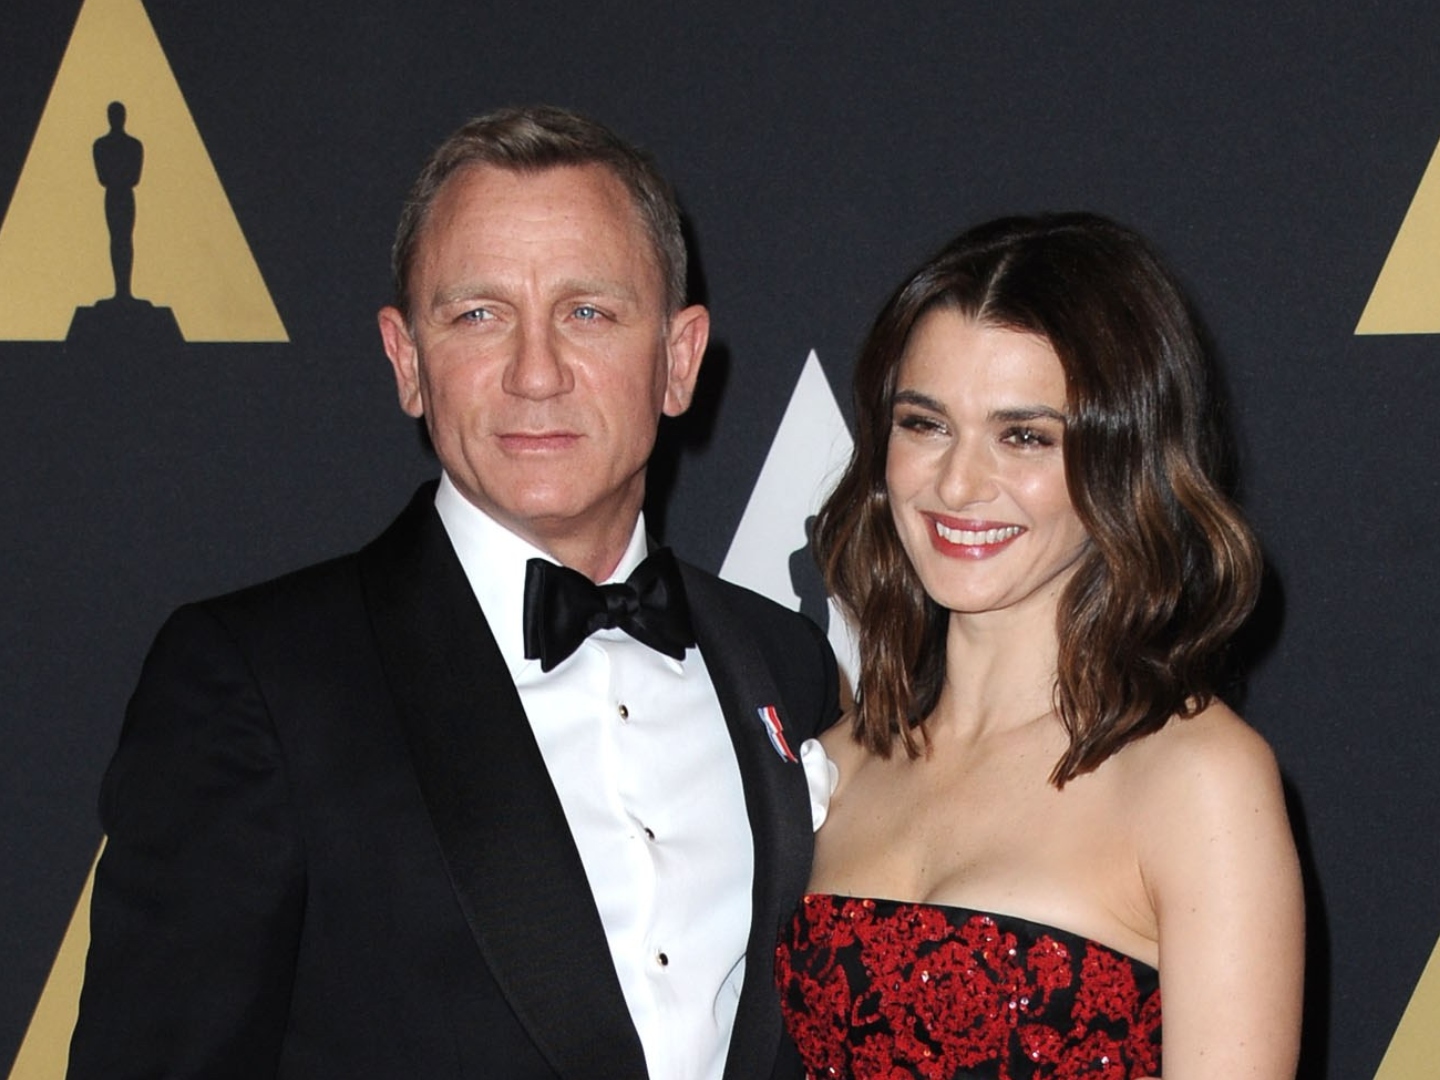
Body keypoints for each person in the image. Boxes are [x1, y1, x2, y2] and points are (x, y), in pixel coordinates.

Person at [69, 105, 839, 1080]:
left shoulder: (785, 664)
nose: (535, 374)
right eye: (479, 315)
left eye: (588, 313)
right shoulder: (258, 681)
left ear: (678, 361)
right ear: (407, 362)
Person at [774, 213, 1304, 1078]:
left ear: (1124, 459)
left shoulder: (1196, 779)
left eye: (1024, 436)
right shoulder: (837, 765)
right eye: (925, 424)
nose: (957, 484)